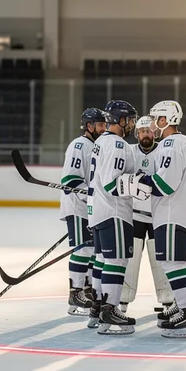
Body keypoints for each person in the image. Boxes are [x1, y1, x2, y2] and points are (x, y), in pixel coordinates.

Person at [119, 100, 186, 339]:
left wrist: (137, 183)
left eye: (156, 118)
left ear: (165, 120)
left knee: (172, 264)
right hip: (178, 212)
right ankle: (183, 309)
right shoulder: (184, 143)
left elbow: (164, 184)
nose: (153, 124)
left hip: (172, 213)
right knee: (171, 262)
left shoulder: (171, 144)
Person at [87, 99, 147, 334]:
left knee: (102, 260)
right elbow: (114, 183)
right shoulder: (119, 145)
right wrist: (138, 183)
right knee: (117, 260)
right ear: (120, 120)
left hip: (98, 210)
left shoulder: (101, 142)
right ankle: (110, 311)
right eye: (130, 120)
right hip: (114, 211)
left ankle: (98, 308)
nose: (131, 124)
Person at [120, 116, 173, 313]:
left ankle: (167, 300)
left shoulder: (164, 151)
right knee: (130, 258)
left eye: (149, 131)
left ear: (154, 132)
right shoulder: (129, 152)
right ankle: (123, 299)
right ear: (137, 134)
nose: (145, 134)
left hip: (158, 214)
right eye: (142, 131)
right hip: (135, 215)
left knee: (160, 258)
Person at [59, 107, 106, 316]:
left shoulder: (96, 146)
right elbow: (71, 180)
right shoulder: (79, 145)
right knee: (84, 250)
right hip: (78, 207)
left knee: (93, 251)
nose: (104, 128)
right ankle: (75, 292)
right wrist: (91, 196)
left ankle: (86, 291)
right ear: (89, 126)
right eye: (100, 125)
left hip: (91, 208)